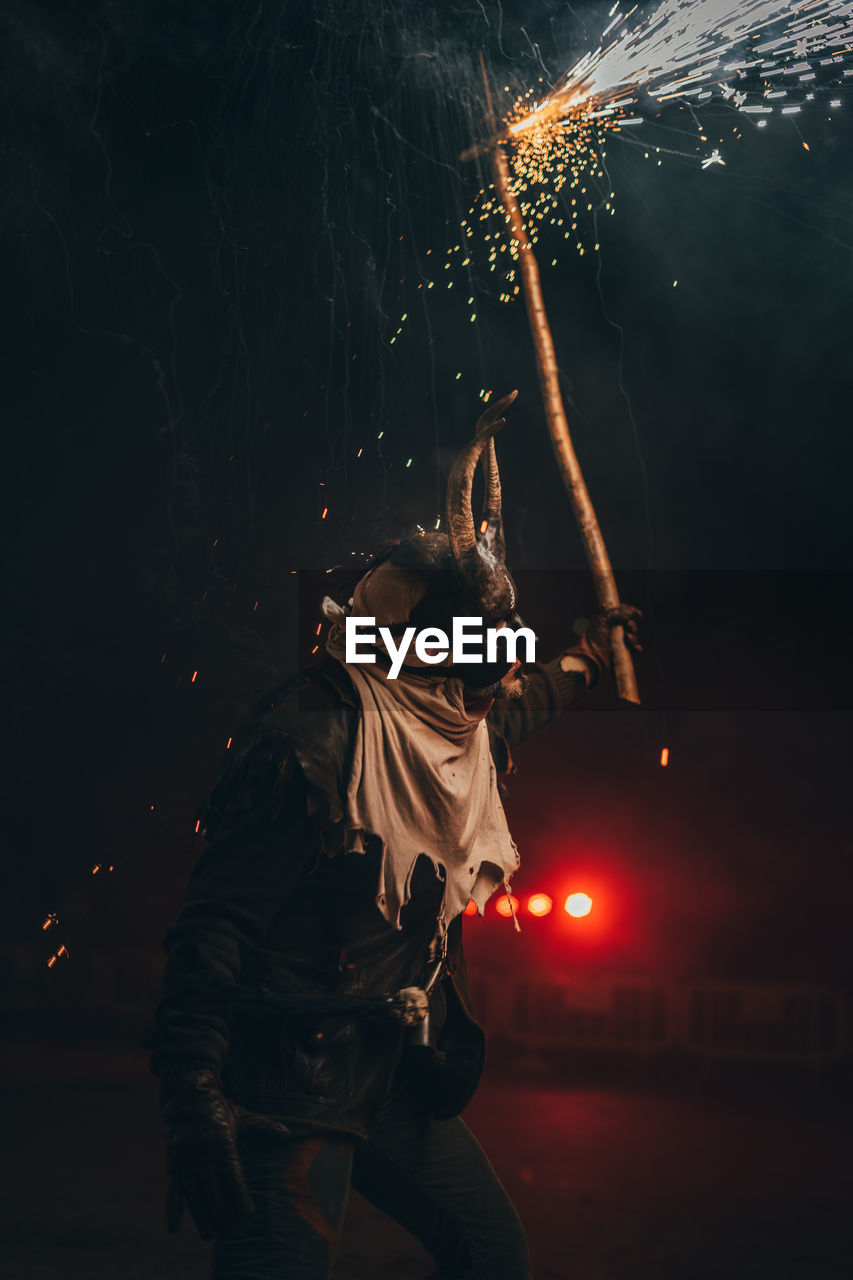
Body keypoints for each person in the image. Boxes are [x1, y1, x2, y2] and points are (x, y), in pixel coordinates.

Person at [146, 392, 641, 1279]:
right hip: (288, 1083)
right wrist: (193, 1098)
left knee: (490, 1253)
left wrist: (588, 661)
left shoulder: (443, 720)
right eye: (477, 652)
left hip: (386, 1073)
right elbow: (210, 932)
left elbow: (506, 721)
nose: (493, 679)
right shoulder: (311, 741)